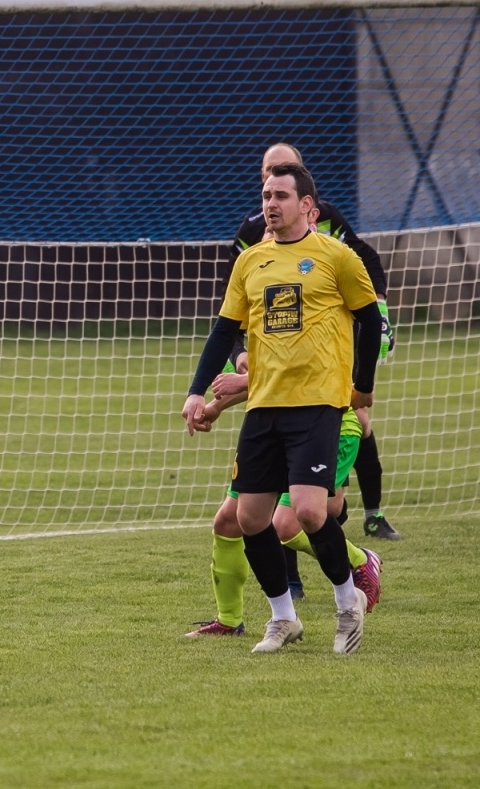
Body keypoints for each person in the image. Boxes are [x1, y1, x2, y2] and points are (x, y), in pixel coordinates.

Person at [184, 163, 382, 654]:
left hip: (318, 405)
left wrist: (362, 384)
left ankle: (346, 603)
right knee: (250, 519)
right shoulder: (250, 262)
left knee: (311, 513)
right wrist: (196, 392)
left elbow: (370, 321)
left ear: (307, 206)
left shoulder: (337, 257)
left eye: (281, 196)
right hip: (264, 406)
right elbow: (224, 331)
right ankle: (283, 618)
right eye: (266, 195)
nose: (270, 204)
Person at [229, 143, 400, 543]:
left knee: (357, 421)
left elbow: (368, 260)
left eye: (285, 171)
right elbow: (232, 305)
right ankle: (294, 567)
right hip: (271, 349)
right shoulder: (252, 234)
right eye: (269, 172)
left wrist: (380, 312)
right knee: (270, 494)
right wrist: (238, 356)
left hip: (327, 345)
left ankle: (372, 514)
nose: (275, 180)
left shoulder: (327, 222)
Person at [182, 366, 381, 639]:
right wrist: (216, 405)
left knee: (288, 524)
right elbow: (268, 384)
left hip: (321, 428)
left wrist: (237, 384)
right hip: (272, 430)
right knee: (228, 521)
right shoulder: (244, 331)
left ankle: (360, 561)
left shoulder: (293, 326)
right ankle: (229, 622)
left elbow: (291, 373)